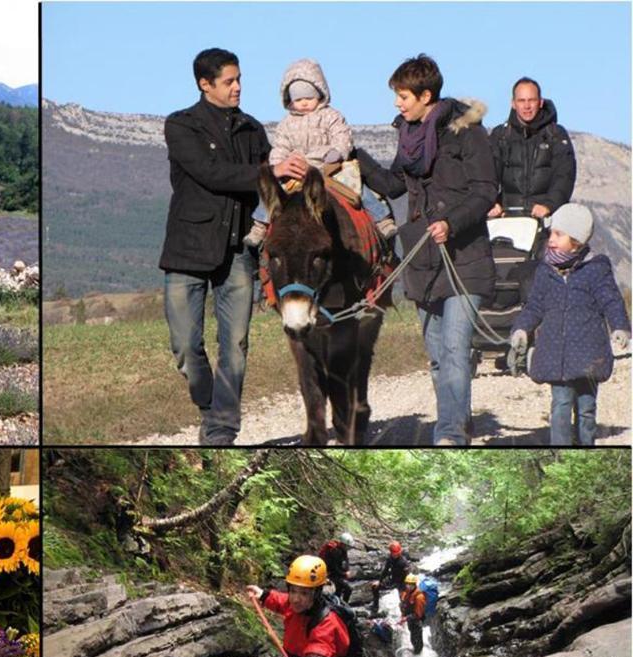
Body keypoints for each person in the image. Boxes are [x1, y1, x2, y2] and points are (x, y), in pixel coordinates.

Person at [159, 48, 308, 446]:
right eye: (229, 81)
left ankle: (221, 430)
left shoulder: (253, 130)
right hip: (187, 249)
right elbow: (211, 174)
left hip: (239, 251)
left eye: (240, 78)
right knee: (186, 346)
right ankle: (210, 407)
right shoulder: (181, 126)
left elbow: (268, 187)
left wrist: (294, 177)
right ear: (205, 84)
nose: (238, 87)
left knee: (236, 346)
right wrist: (268, 170)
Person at [357, 54, 497, 446]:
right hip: (422, 261)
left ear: (425, 95)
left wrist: (452, 222)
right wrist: (355, 157)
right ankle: (459, 424)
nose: (397, 104)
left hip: (464, 257)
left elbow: (486, 190)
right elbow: (393, 185)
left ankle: (449, 433)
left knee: (455, 348)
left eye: (402, 96)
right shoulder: (408, 135)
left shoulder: (467, 131)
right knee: (438, 357)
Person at [509, 204, 631, 446]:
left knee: (586, 408)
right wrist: (521, 329)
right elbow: (534, 306)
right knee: (561, 405)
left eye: (558, 235)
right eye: (551, 233)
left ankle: (587, 444)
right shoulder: (545, 271)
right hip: (556, 354)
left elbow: (611, 300)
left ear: (575, 241)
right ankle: (562, 448)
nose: (551, 240)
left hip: (588, 354)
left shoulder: (596, 269)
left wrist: (619, 327)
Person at [245, 58, 397, 248]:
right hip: (299, 171)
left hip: (329, 168)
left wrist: (337, 152)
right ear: (290, 100)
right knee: (271, 192)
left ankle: (381, 219)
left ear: (320, 94)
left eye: (309, 98)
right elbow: (280, 146)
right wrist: (278, 163)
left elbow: (342, 136)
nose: (304, 104)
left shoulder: (331, 116)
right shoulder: (286, 123)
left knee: (358, 189)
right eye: (298, 100)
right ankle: (259, 226)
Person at [488, 78, 575, 221]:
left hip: (545, 221)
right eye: (521, 101)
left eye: (531, 100)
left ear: (540, 102)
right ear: (513, 104)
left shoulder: (556, 135)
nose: (527, 106)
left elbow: (564, 176)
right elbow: (489, 175)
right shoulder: (501, 136)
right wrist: (492, 202)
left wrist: (549, 206)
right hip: (507, 219)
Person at [369, 540, 409, 615]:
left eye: (396, 554)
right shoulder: (390, 559)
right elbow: (385, 571)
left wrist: (404, 590)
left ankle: (403, 615)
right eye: (393, 554)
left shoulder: (403, 562)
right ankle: (375, 606)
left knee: (402, 601)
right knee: (374, 587)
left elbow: (407, 577)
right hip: (392, 581)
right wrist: (379, 581)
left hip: (401, 584)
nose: (394, 555)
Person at [317, 531, 354, 604]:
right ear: (343, 544)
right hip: (331, 575)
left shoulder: (343, 551)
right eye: (347, 546)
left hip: (338, 575)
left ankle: (339, 604)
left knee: (339, 591)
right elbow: (334, 568)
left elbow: (346, 561)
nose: (348, 548)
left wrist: (347, 570)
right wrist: (344, 574)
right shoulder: (334, 552)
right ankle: (344, 605)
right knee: (348, 589)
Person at [399, 574, 427, 653]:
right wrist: (403, 616)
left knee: (416, 638)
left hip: (416, 621)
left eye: (410, 584)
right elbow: (404, 605)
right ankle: (416, 649)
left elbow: (418, 615)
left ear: (414, 584)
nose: (408, 586)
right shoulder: (406, 593)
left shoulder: (419, 597)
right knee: (412, 636)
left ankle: (418, 653)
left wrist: (406, 618)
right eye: (407, 584)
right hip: (410, 619)